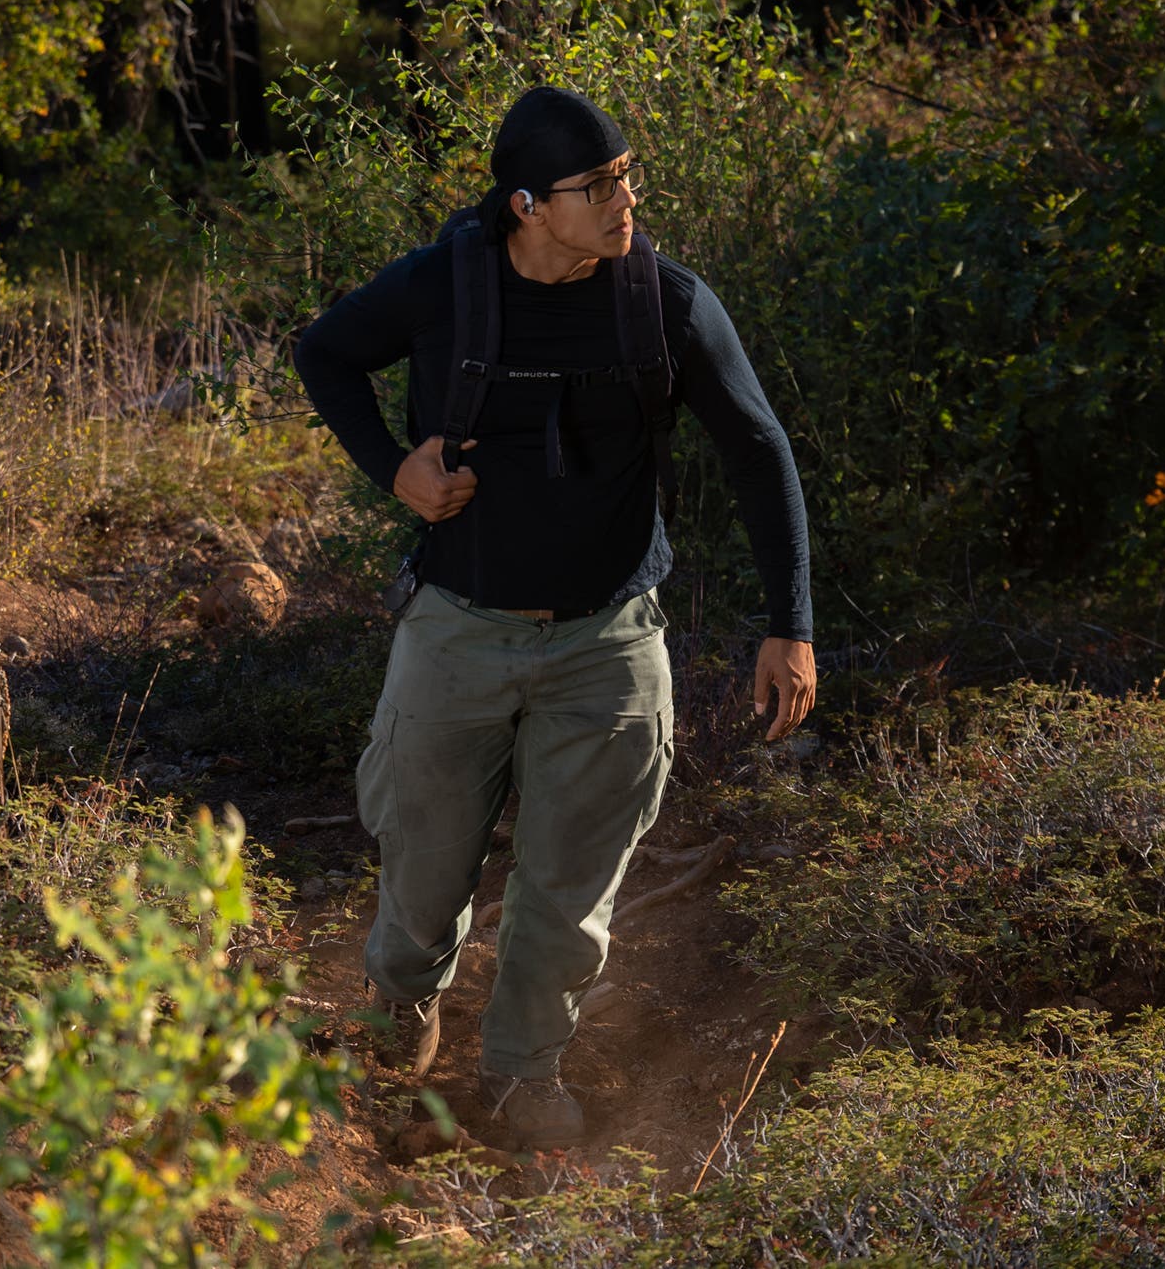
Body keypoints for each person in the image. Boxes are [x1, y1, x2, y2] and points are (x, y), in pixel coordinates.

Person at [292, 86, 817, 1148]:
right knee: (425, 865)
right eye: (600, 185)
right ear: (529, 204)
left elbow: (759, 450)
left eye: (629, 174)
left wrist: (790, 624)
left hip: (609, 641)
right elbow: (325, 353)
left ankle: (521, 1074)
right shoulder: (447, 284)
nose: (626, 199)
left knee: (570, 892)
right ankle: (403, 1009)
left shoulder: (662, 302)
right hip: (458, 629)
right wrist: (395, 471)